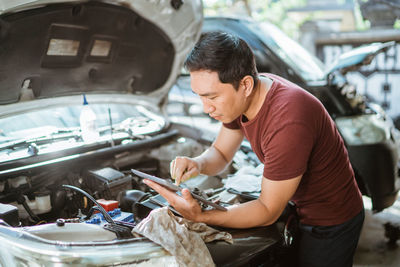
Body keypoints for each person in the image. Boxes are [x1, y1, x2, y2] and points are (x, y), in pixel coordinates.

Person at [144, 31, 364, 267]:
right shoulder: (246, 94)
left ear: (246, 85)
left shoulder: (289, 119)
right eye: (200, 97)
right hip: (298, 205)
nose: (206, 108)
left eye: (212, 97)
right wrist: (197, 163)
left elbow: (267, 209)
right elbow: (220, 154)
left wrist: (201, 216)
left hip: (331, 218)